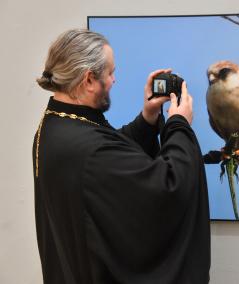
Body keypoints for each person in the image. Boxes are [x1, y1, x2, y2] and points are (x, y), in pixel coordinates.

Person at [32, 28, 210, 284]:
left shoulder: (55, 127)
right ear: (89, 79)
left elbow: (110, 154)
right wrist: (178, 124)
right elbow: (169, 184)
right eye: (110, 73)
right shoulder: (88, 149)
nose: (114, 80)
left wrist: (147, 120)